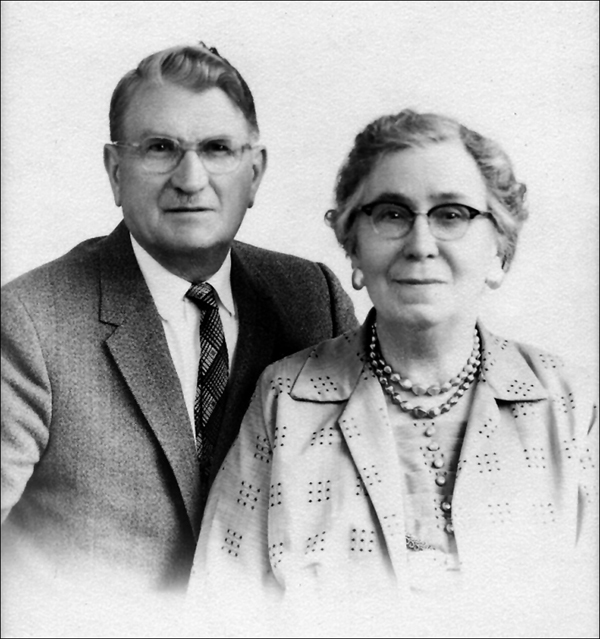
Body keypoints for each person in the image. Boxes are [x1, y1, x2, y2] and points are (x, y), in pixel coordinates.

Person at [190, 109, 598, 636]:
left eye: (451, 214)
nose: (420, 244)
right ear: (354, 250)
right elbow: (219, 612)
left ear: (499, 252)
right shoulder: (285, 400)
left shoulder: (573, 407)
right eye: (392, 213)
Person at [0, 43, 357, 634]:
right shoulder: (29, 320)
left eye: (217, 149)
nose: (191, 180)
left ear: (254, 173)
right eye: (160, 148)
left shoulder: (311, 298)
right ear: (116, 171)